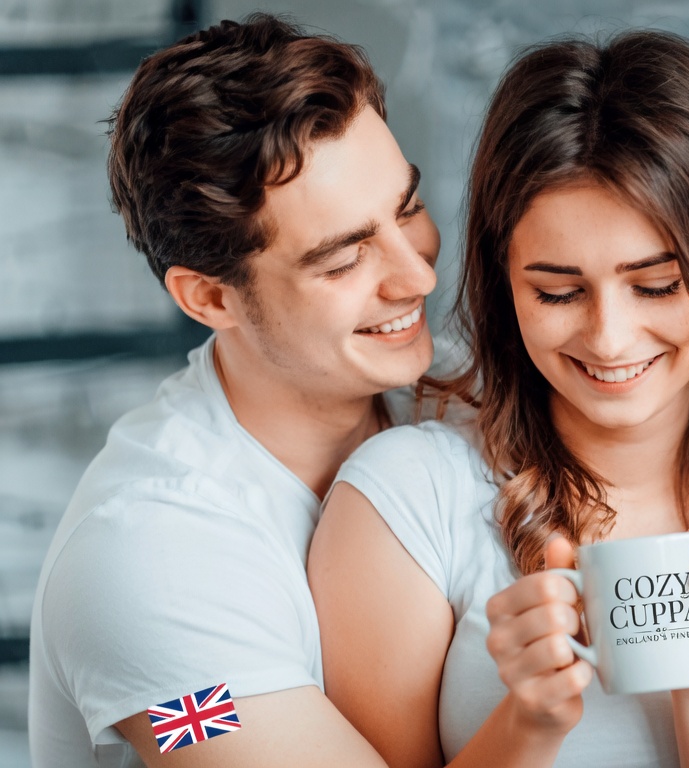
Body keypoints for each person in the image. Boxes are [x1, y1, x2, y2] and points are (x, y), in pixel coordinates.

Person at [308, 30, 689, 768]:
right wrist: (530, 720)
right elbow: (204, 723)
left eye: (657, 285)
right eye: (557, 291)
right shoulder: (406, 498)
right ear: (504, 284)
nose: (611, 338)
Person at [27, 15, 443, 766]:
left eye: (407, 209)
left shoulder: (465, 403)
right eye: (344, 258)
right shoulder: (149, 560)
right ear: (210, 300)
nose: (417, 276)